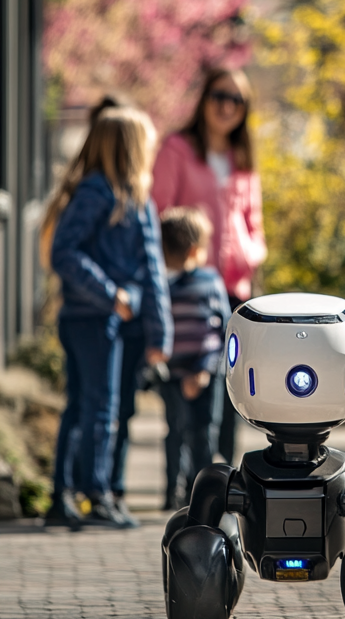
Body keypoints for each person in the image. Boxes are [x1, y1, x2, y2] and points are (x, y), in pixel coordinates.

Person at [46, 108, 172, 529]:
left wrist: (157, 331)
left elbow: (153, 271)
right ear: (132, 147)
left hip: (99, 320)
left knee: (85, 406)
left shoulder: (127, 195)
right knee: (99, 408)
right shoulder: (101, 193)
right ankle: (93, 494)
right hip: (92, 320)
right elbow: (64, 251)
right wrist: (109, 294)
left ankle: (64, 495)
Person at [152, 68, 266, 466]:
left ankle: (226, 469)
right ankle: (184, 477)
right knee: (189, 384)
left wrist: (249, 254)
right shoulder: (177, 149)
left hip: (234, 288)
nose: (226, 106)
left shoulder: (242, 158)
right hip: (187, 287)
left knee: (232, 380)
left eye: (237, 100)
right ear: (204, 99)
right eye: (220, 95)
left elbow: (254, 222)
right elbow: (158, 211)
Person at [158, 207, 231, 510]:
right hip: (174, 375)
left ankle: (202, 492)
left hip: (205, 372)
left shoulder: (209, 281)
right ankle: (172, 490)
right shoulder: (163, 286)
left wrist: (202, 370)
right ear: (194, 249)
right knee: (176, 431)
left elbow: (222, 330)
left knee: (203, 433)